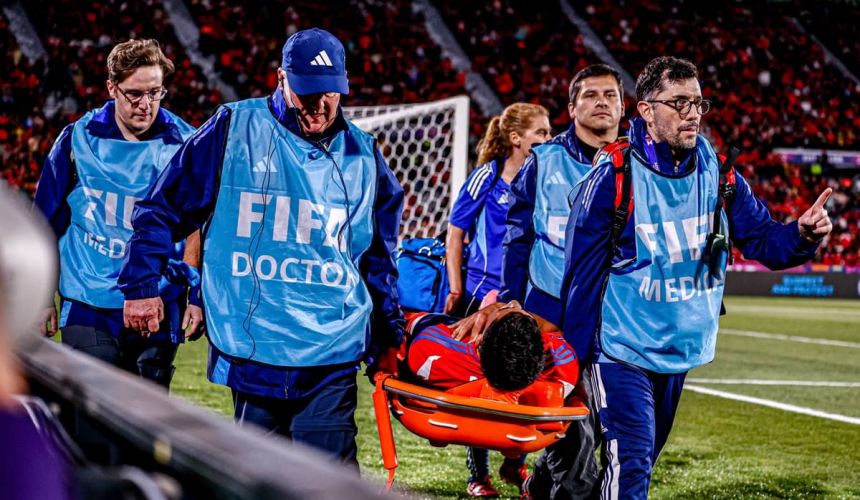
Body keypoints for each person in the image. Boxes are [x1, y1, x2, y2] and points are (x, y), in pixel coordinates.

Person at [117, 28, 404, 466]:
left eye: (330, 93)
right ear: (281, 79)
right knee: (257, 478)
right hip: (255, 347)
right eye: (306, 90)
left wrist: (388, 333)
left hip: (331, 350)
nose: (319, 104)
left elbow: (378, 260)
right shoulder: (234, 127)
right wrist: (140, 285)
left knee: (325, 483)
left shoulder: (365, 156)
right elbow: (161, 209)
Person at [561, 56, 833, 499]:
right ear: (646, 110)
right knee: (629, 464)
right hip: (620, 350)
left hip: (678, 351)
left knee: (636, 462)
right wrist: (576, 363)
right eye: (679, 103)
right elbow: (580, 278)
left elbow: (765, 241)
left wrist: (802, 234)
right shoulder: (612, 177)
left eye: (698, 103)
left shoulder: (719, 173)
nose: (692, 114)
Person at [454, 63, 625, 499]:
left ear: (625, 107)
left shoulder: (637, 164)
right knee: (573, 423)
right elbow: (512, 235)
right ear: (572, 106)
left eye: (610, 94)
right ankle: (494, 475)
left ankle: (539, 483)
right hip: (549, 314)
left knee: (610, 431)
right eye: (590, 95)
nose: (601, 101)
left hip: (621, 318)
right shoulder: (540, 163)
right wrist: (508, 298)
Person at [33, 39, 202, 389]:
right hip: (89, 298)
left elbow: (200, 227)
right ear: (112, 87)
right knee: (94, 413)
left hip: (159, 297)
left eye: (155, 93)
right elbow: (45, 221)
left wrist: (197, 296)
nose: (146, 105)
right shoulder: (77, 139)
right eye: (134, 94)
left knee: (144, 425)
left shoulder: (186, 143)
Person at [445, 103, 550, 317]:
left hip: (524, 293)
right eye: (541, 132)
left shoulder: (547, 182)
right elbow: (455, 234)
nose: (549, 139)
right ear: (515, 138)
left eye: (549, 132)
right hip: (481, 289)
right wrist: (455, 289)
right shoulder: (487, 177)